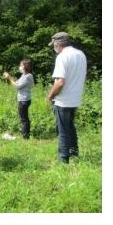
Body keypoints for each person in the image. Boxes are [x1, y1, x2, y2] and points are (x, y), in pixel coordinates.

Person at [46, 32, 87, 164]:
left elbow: (60, 82)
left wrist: (50, 95)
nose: (54, 48)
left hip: (63, 100)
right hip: (75, 99)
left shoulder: (62, 56)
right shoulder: (80, 54)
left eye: (54, 45)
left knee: (62, 129)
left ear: (58, 44)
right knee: (70, 126)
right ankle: (74, 152)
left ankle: (63, 160)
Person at [3, 59, 34, 139]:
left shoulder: (28, 76)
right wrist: (10, 77)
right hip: (22, 99)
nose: (19, 67)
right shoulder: (24, 75)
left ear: (25, 66)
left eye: (21, 65)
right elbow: (16, 83)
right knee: (23, 117)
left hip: (24, 100)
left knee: (24, 119)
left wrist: (9, 78)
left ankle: (25, 136)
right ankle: (25, 134)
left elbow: (17, 86)